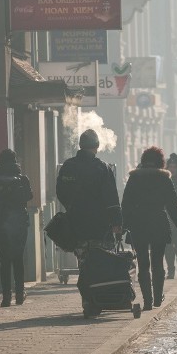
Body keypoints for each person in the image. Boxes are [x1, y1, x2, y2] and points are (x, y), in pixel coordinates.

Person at [56, 129, 122, 311]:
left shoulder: (68, 166)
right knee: (99, 263)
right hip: (100, 227)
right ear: (96, 146)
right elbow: (111, 198)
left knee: (84, 263)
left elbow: (60, 191)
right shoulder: (102, 168)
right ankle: (96, 299)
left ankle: (87, 300)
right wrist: (116, 222)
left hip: (77, 225)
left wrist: (72, 206)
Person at [122, 147, 177, 309]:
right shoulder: (164, 179)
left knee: (143, 263)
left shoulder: (134, 179)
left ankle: (147, 301)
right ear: (161, 162)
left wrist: (123, 226)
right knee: (158, 262)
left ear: (143, 161)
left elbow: (126, 205)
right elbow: (174, 207)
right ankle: (158, 297)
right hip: (159, 223)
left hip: (139, 225)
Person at [0, 149, 33, 307]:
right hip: (19, 224)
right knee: (18, 258)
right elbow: (29, 196)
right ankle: (20, 294)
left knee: (4, 259)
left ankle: (6, 297)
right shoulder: (22, 179)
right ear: (15, 161)